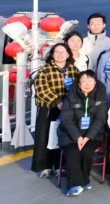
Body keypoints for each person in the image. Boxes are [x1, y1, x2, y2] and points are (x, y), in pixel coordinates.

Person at [58, 71, 108, 196]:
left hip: (93, 135)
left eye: (90, 81)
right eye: (84, 81)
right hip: (70, 134)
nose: (87, 84)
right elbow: (66, 119)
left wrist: (87, 137)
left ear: (95, 82)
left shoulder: (100, 97)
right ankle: (74, 185)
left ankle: (84, 179)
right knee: (72, 152)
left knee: (86, 151)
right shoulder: (70, 97)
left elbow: (100, 119)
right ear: (79, 84)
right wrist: (77, 137)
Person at [32, 42, 78, 177]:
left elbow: (78, 88)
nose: (60, 54)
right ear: (52, 55)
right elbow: (42, 90)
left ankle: (60, 165)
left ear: (68, 54)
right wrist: (58, 102)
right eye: (57, 52)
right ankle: (45, 167)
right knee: (44, 136)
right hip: (49, 108)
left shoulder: (73, 70)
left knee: (62, 137)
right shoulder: (44, 70)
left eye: (63, 52)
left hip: (67, 108)